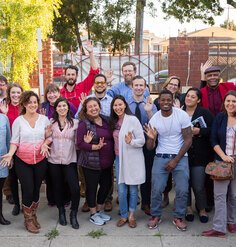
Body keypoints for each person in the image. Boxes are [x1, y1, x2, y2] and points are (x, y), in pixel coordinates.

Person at [0, 91, 51, 234]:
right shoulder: (18, 121)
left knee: (35, 190)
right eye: (29, 102)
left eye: (35, 102)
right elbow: (15, 141)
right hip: (23, 161)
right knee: (28, 189)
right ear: (24, 104)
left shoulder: (44, 119)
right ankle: (28, 220)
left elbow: (49, 136)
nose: (33, 105)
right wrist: (10, 154)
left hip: (40, 160)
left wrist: (46, 142)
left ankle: (33, 215)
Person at [144, 89, 192, 232]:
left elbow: (188, 140)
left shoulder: (182, 115)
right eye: (163, 100)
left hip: (180, 156)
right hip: (161, 156)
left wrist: (175, 160)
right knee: (157, 189)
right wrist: (152, 139)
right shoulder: (155, 119)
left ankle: (178, 216)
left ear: (172, 100)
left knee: (183, 189)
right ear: (159, 101)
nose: (166, 102)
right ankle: (155, 215)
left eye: (168, 100)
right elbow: (150, 147)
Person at [75, 74, 114, 213]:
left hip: (107, 161)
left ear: (100, 107)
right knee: (90, 187)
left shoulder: (106, 120)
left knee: (106, 185)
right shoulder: (83, 123)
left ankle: (101, 208)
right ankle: (93, 212)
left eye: (95, 106)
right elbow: (79, 143)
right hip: (91, 162)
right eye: (90, 107)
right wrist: (92, 146)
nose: (93, 108)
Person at [202, 90, 236, 237]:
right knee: (220, 195)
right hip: (222, 161)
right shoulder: (219, 118)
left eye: (234, 101)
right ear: (224, 103)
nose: (230, 104)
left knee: (234, 195)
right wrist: (224, 156)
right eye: (228, 101)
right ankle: (219, 227)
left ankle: (231, 221)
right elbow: (213, 140)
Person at [110, 95, 145, 228]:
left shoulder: (132, 120)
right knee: (122, 189)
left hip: (132, 158)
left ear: (125, 105)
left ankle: (131, 215)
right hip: (119, 158)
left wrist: (131, 141)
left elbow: (141, 140)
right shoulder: (113, 122)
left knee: (133, 188)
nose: (118, 107)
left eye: (120, 104)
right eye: (115, 105)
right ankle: (123, 215)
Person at [41, 83, 76, 207]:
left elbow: (75, 119)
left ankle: (66, 199)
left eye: (54, 92)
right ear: (46, 95)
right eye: (49, 92)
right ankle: (52, 199)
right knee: (51, 177)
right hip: (50, 144)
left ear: (59, 93)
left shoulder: (69, 105)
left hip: (66, 146)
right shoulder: (43, 107)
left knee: (65, 177)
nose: (52, 94)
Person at [47, 97, 80, 229]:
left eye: (64, 106)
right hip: (54, 160)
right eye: (59, 106)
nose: (62, 108)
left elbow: (79, 140)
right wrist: (46, 135)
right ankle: (61, 211)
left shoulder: (75, 123)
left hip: (69, 160)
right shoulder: (51, 123)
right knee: (58, 187)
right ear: (55, 109)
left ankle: (73, 213)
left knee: (75, 189)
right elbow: (47, 137)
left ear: (68, 108)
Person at [183, 88, 214, 223]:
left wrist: (199, 131)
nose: (189, 98)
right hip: (182, 155)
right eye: (188, 96)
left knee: (198, 184)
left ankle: (201, 208)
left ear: (198, 100)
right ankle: (188, 208)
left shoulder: (204, 112)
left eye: (193, 97)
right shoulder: (179, 112)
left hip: (199, 155)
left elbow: (213, 130)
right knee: (185, 184)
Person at [127, 75, 157, 215]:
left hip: (147, 143)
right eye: (136, 85)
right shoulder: (126, 103)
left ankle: (146, 203)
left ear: (145, 87)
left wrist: (149, 111)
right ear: (132, 87)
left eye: (141, 85)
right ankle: (129, 203)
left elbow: (157, 125)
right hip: (131, 143)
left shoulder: (151, 104)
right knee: (130, 174)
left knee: (147, 173)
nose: (139, 88)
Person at [153, 76, 184, 208]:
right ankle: (165, 196)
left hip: (179, 144)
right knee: (162, 178)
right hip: (162, 144)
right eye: (171, 84)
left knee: (181, 182)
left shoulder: (181, 99)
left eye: (176, 85)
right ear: (166, 85)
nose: (173, 86)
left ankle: (179, 204)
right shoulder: (157, 101)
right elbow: (155, 119)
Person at [0, 83, 23, 216]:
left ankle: (26, 204)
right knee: (12, 177)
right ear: (9, 94)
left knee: (25, 179)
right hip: (10, 149)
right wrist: (5, 113)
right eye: (13, 92)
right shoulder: (4, 107)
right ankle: (16, 204)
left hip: (24, 147)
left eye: (18, 92)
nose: (15, 95)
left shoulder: (25, 106)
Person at [60, 40, 99, 109]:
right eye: (68, 74)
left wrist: (91, 53)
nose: (71, 77)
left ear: (77, 76)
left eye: (73, 74)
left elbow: (94, 72)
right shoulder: (60, 93)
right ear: (65, 76)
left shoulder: (83, 87)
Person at [0, 113, 11, 225]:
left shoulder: (3, 118)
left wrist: (10, 157)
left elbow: (8, 139)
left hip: (2, 160)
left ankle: (0, 215)